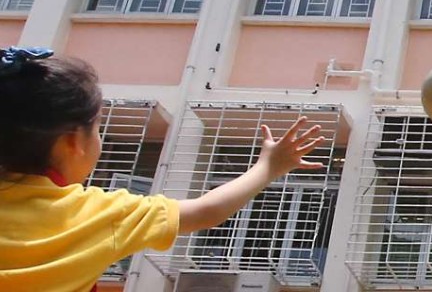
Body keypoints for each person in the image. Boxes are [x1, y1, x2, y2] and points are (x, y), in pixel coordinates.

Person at [0, 46, 326, 292]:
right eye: (98, 127)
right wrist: (268, 167)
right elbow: (206, 211)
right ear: (74, 141)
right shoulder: (96, 214)